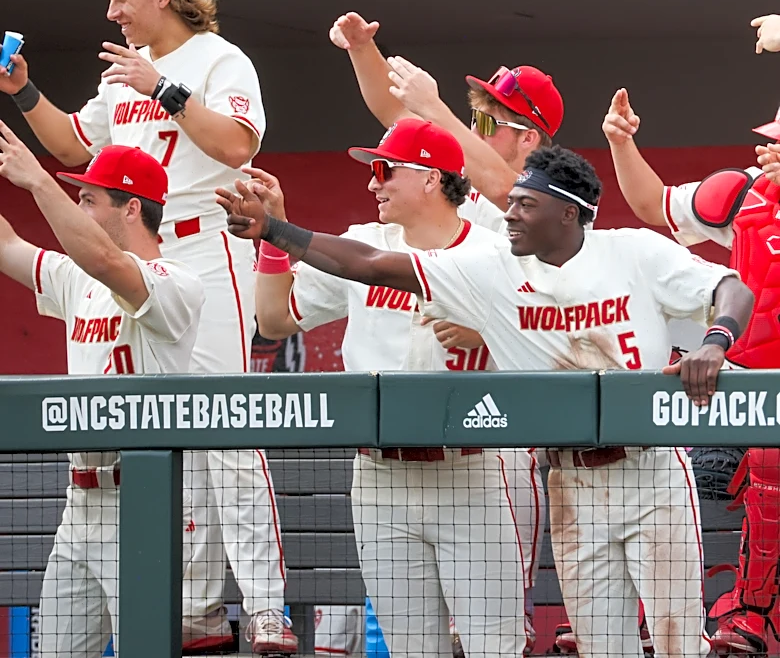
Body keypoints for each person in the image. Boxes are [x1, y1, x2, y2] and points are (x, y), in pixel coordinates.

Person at [218, 143, 755, 658]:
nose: (511, 214)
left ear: (568, 214)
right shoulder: (493, 268)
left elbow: (732, 288)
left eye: (526, 204)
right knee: (603, 650)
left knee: (679, 643)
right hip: (571, 481)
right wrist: (275, 231)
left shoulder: (632, 250)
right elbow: (371, 264)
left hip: (649, 469)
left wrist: (716, 340)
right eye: (512, 202)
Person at [0, 0, 295, 653]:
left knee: (228, 425)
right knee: (163, 428)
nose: (113, 11)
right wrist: (22, 93)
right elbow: (74, 146)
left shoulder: (217, 60)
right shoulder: (121, 75)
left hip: (205, 239)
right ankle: (193, 607)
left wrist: (158, 84)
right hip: (133, 253)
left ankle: (264, 608)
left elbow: (235, 147)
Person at [242, 118, 536, 658]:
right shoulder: (360, 243)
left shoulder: (497, 251)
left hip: (469, 472)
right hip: (379, 478)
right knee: (410, 649)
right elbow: (274, 318)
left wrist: (491, 327)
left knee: (493, 646)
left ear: (430, 179)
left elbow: (557, 336)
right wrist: (274, 234)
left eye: (384, 169)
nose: (373, 183)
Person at [600, 12, 780, 654]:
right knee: (667, 477)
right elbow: (652, 207)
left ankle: (750, 616)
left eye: (778, 140)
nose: (767, 150)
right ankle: (662, 618)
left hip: (778, 408)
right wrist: (623, 144)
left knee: (770, 475)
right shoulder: (745, 196)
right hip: (732, 389)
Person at [0, 129, 204, 656]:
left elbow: (109, 263)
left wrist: (38, 182)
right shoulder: (76, 277)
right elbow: (6, 244)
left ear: (132, 208)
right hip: (79, 503)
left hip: (142, 498)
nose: (77, 205)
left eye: (88, 199)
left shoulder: (176, 281)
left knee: (144, 650)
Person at [329, 11, 563, 215]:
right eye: (474, 118)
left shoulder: (561, 188)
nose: (474, 130)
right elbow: (395, 110)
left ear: (528, 138)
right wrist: (360, 48)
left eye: (486, 122)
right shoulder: (467, 168)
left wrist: (433, 107)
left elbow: (504, 189)